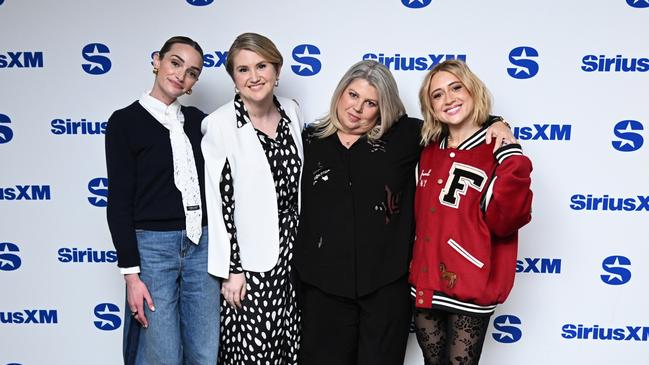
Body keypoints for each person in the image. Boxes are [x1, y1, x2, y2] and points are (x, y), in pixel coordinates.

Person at [295, 60, 516, 365]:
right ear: (340, 93)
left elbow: (458, 120)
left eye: (371, 102)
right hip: (323, 286)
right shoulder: (309, 139)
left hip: (384, 286)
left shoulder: (406, 136)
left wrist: (496, 122)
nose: (357, 108)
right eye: (353, 95)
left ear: (383, 107)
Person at [105, 36, 220, 365]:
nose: (181, 75)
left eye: (192, 72)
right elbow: (119, 202)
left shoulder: (201, 122)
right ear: (157, 60)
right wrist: (131, 275)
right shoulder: (125, 122)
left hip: (203, 243)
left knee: (204, 352)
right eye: (175, 63)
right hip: (153, 249)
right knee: (162, 354)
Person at [409, 59, 533, 365]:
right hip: (425, 280)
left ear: (473, 90)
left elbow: (506, 222)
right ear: (430, 106)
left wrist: (512, 159)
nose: (448, 99)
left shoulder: (498, 147)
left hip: (470, 282)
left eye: (455, 88)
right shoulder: (428, 148)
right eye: (437, 95)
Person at [201, 32, 303, 365]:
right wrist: (232, 270)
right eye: (243, 69)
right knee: (254, 352)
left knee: (292, 345)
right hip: (250, 263)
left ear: (276, 70)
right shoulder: (219, 125)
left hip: (295, 253)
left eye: (262, 65)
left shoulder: (292, 112)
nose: (254, 76)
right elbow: (220, 205)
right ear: (233, 78)